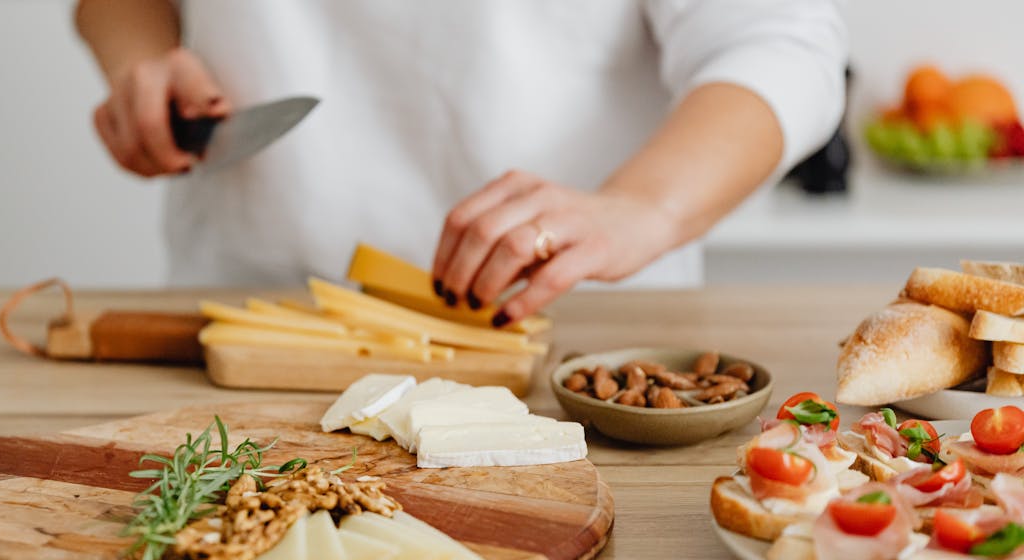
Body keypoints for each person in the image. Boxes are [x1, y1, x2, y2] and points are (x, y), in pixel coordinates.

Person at [76, 1, 846, 327]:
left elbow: (781, 39)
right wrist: (140, 65)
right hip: (246, 312)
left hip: (576, 337)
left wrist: (640, 207)